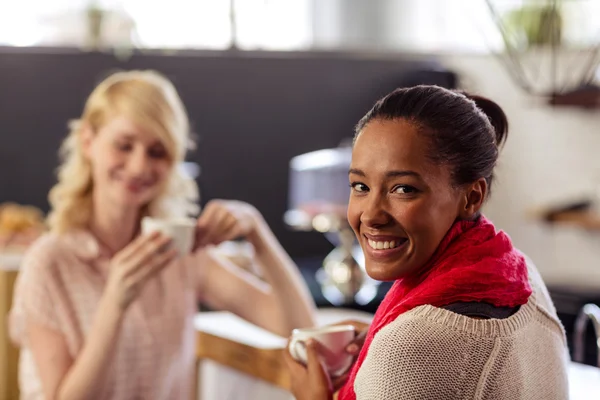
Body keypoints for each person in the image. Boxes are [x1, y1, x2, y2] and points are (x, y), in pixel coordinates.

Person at [9, 70, 316, 400]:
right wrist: (115, 303)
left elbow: (300, 327)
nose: (139, 166)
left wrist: (258, 233)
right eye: (124, 146)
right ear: (88, 141)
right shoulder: (50, 261)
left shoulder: (178, 252)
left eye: (157, 152)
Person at [284, 85, 569, 399]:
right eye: (360, 186)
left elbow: (430, 355)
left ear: (472, 197)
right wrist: (385, 334)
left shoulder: (409, 350)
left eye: (403, 189)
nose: (372, 215)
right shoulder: (522, 275)